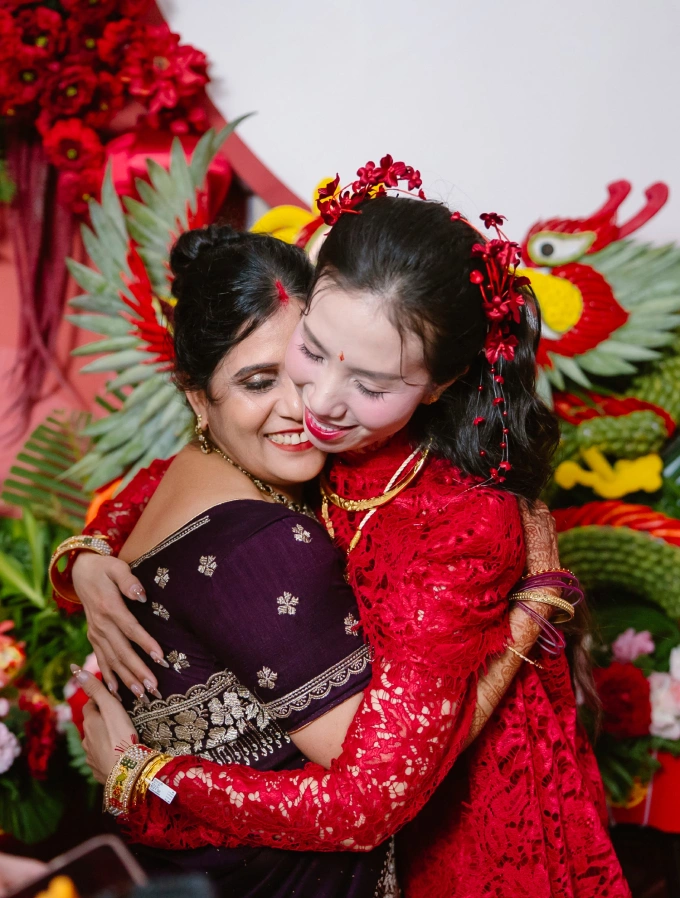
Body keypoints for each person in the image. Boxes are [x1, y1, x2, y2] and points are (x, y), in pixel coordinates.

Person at [60, 158, 629, 897]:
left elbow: (367, 803)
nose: (316, 405)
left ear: (440, 383)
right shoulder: (326, 445)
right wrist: (84, 554)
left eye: (368, 381)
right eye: (308, 356)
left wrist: (147, 775)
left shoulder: (449, 523)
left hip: (466, 850)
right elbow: (174, 474)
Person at [70, 226, 394, 896]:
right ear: (196, 396)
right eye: (257, 381)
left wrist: (78, 554)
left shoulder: (188, 476)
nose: (302, 407)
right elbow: (377, 782)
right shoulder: (261, 545)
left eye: (308, 369)